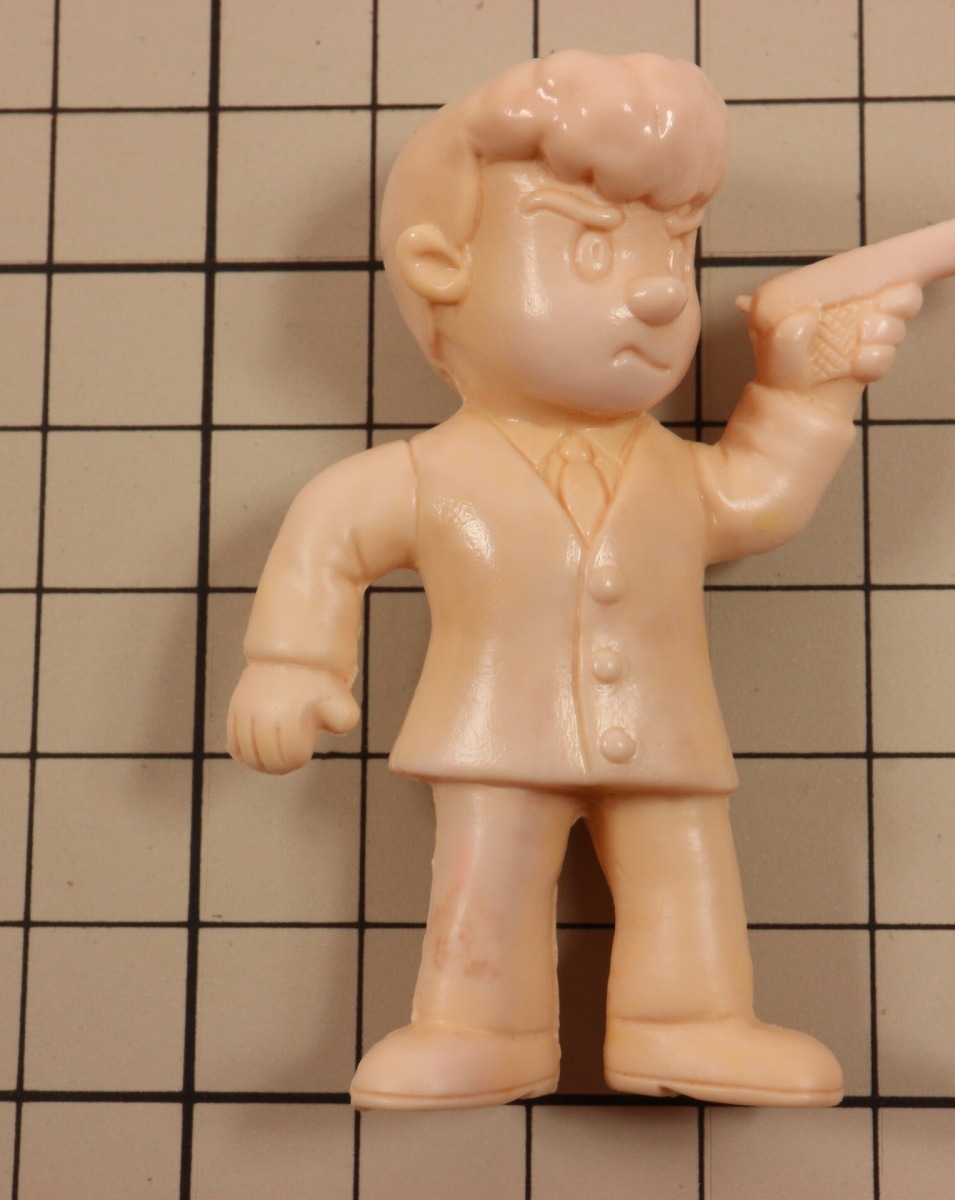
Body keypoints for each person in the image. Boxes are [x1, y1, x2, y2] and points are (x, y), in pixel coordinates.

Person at [227, 50, 919, 1110]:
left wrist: (807, 391)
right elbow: (329, 538)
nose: (659, 290)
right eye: (590, 248)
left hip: (668, 734)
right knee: (486, 879)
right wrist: (290, 663)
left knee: (686, 871)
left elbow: (758, 502)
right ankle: (478, 1029)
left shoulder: (677, 476)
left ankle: (688, 1021)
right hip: (493, 735)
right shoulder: (425, 475)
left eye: (675, 249)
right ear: (441, 268)